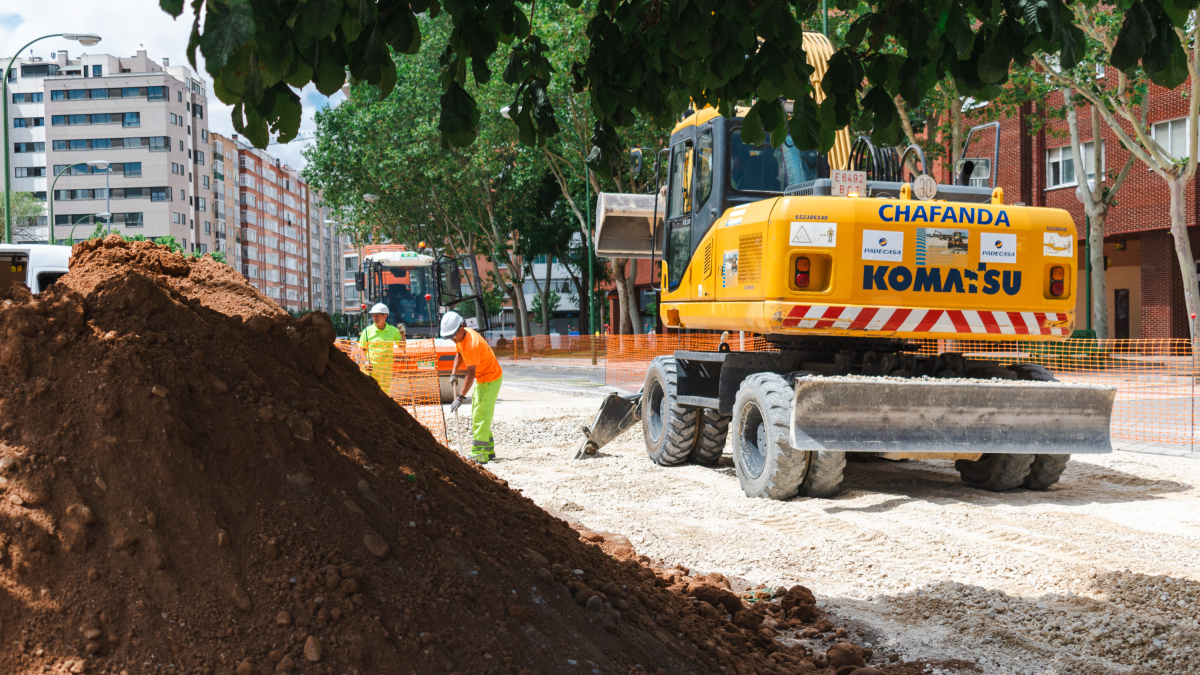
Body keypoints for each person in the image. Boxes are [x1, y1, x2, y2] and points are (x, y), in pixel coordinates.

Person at [442, 311, 503, 464]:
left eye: (452, 335)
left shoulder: (471, 343)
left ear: (461, 328)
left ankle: (479, 452)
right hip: (484, 378)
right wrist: (453, 372)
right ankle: (488, 449)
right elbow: (459, 353)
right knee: (479, 411)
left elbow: (470, 374)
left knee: (480, 415)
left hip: (490, 378)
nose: (452, 338)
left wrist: (460, 397)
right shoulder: (461, 336)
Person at [359, 303, 405, 394]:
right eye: (373, 315)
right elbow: (361, 349)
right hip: (371, 370)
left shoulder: (393, 331)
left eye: (377, 315)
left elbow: (403, 347)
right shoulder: (367, 331)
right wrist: (365, 361)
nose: (375, 318)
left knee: (385, 395)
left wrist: (402, 334)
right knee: (370, 394)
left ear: (385, 316)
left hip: (386, 371)